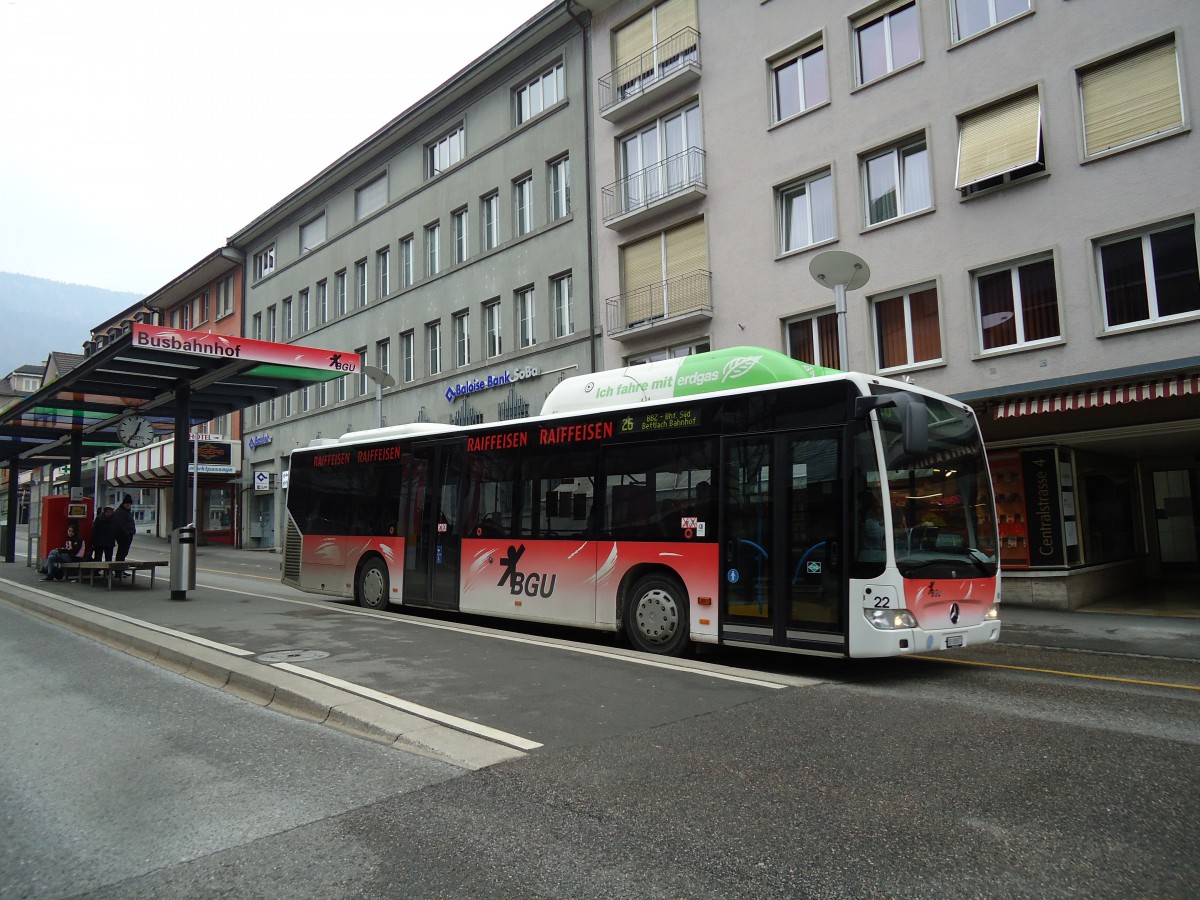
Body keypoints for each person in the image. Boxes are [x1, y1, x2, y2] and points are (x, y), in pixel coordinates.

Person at [114, 494, 136, 563]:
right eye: (127, 504)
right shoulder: (120, 512)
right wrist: (126, 533)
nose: (128, 505)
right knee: (122, 552)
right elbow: (119, 524)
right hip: (123, 535)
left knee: (123, 552)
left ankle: (120, 568)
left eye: (129, 504)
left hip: (128, 533)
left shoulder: (126, 512)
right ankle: (119, 569)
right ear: (124, 504)